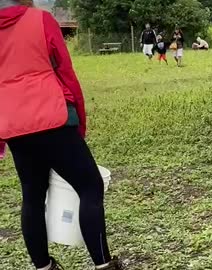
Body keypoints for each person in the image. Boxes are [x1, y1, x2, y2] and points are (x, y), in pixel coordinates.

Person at [0, 1, 124, 270]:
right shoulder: (40, 20)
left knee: (32, 196)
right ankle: (104, 265)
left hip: (14, 125)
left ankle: (43, 267)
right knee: (90, 187)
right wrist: (79, 120)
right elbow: (66, 72)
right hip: (53, 116)